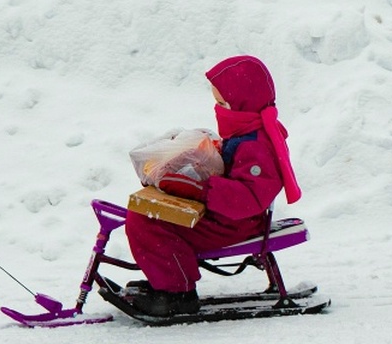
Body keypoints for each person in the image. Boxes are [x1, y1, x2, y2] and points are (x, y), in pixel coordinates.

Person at [120, 55, 302, 317]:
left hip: (235, 224)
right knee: (150, 214)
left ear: (242, 103)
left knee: (148, 221)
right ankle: (168, 278)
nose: (219, 109)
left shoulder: (255, 144)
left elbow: (250, 196)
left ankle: (177, 293)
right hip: (226, 216)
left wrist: (201, 188)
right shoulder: (247, 131)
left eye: (222, 103)